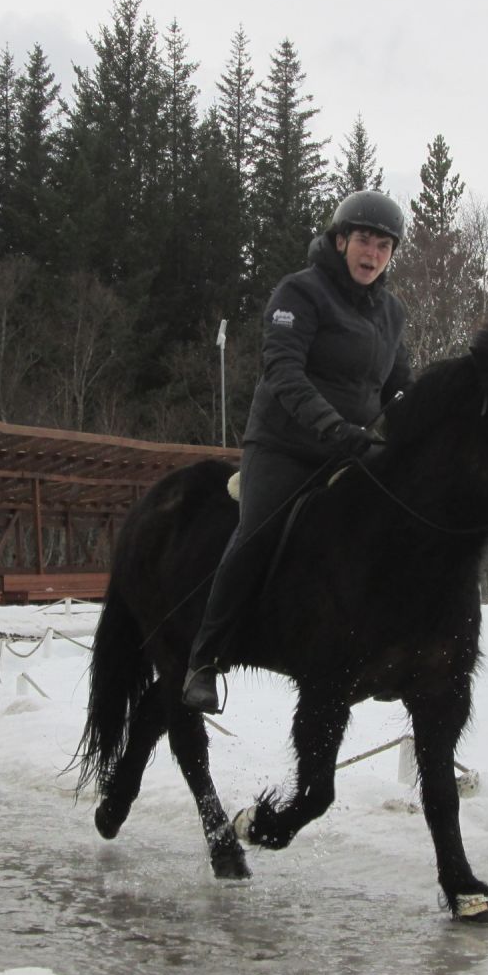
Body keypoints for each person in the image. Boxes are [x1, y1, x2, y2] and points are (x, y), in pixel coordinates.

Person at [182, 189, 413, 714]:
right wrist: (331, 426)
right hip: (285, 444)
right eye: (362, 240)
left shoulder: (392, 313)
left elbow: (400, 390)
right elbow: (282, 370)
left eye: (383, 245)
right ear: (339, 241)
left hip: (350, 447)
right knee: (257, 530)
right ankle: (206, 658)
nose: (371, 253)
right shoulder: (299, 292)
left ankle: (386, 648)